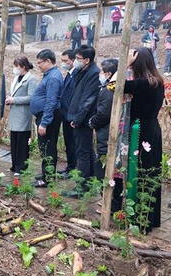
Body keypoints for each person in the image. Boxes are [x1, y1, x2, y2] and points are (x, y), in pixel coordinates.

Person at [112, 47, 165, 233]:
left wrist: (124, 64)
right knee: (150, 173)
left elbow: (113, 84)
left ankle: (141, 221)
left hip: (140, 131)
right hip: (153, 130)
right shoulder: (158, 81)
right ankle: (150, 218)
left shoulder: (143, 84)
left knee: (139, 172)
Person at [64, 44, 100, 197]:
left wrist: (77, 119)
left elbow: (88, 100)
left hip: (83, 119)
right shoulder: (82, 71)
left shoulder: (93, 73)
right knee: (87, 150)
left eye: (77, 59)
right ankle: (91, 182)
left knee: (82, 153)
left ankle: (82, 187)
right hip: (78, 116)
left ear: (86, 60)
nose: (75, 61)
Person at [88, 58, 121, 213]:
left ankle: (109, 203)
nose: (100, 74)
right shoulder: (109, 87)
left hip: (106, 135)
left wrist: (92, 122)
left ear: (108, 73)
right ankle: (108, 201)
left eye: (102, 71)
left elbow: (103, 114)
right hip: (106, 133)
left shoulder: (109, 90)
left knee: (103, 167)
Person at [30, 49, 64, 187]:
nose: (38, 66)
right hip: (46, 115)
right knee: (45, 146)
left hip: (48, 116)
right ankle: (47, 172)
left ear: (48, 61)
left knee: (48, 147)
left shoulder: (53, 78)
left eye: (40, 63)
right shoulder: (50, 75)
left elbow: (51, 101)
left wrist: (44, 122)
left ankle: (47, 178)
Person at [6, 57, 38, 177]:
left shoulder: (31, 79)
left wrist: (14, 100)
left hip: (24, 113)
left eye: (16, 66)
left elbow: (31, 97)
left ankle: (21, 167)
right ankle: (14, 165)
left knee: (22, 142)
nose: (15, 69)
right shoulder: (16, 78)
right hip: (15, 113)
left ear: (23, 67)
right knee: (14, 140)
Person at [57, 49, 78, 179]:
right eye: (62, 61)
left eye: (66, 61)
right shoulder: (69, 74)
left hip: (71, 116)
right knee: (68, 143)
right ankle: (70, 166)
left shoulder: (76, 75)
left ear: (73, 60)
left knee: (72, 144)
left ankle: (72, 169)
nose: (63, 63)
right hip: (65, 114)